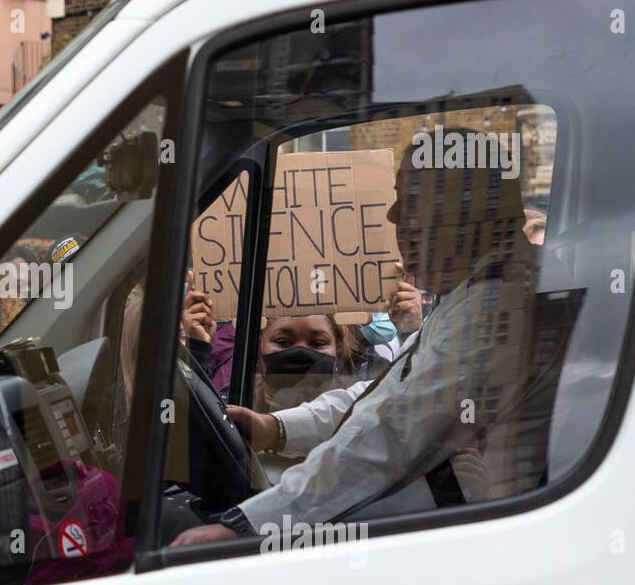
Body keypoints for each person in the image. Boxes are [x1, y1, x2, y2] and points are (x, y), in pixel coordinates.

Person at [172, 131, 539, 547]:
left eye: (411, 202)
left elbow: (391, 433)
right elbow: (385, 396)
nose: (393, 218)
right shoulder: (481, 292)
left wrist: (245, 526)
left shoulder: (494, 306)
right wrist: (275, 428)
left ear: (465, 211)